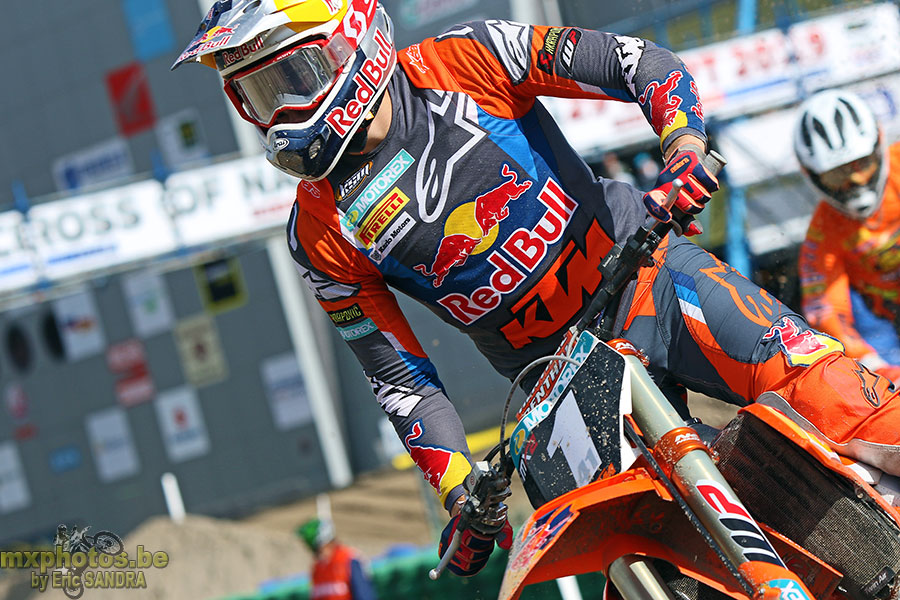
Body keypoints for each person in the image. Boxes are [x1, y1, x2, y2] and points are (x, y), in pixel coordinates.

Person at [173, 0, 900, 577]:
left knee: (836, 396)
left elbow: (640, 64)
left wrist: (682, 147)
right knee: (652, 555)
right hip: (554, 383)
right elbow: (400, 381)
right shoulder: (316, 234)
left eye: (291, 76)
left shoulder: (468, 56)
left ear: (350, 38)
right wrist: (460, 494)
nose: (282, 109)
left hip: (647, 277)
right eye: (257, 93)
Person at [794, 89, 900, 381]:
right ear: (812, 175)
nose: (855, 180)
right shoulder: (820, 236)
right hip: (880, 317)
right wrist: (878, 369)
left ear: (879, 147)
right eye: (837, 174)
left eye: (861, 164)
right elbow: (827, 313)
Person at [296, 518, 377, 600]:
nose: (317, 554)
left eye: (318, 549)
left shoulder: (350, 560)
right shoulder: (317, 569)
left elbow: (364, 594)